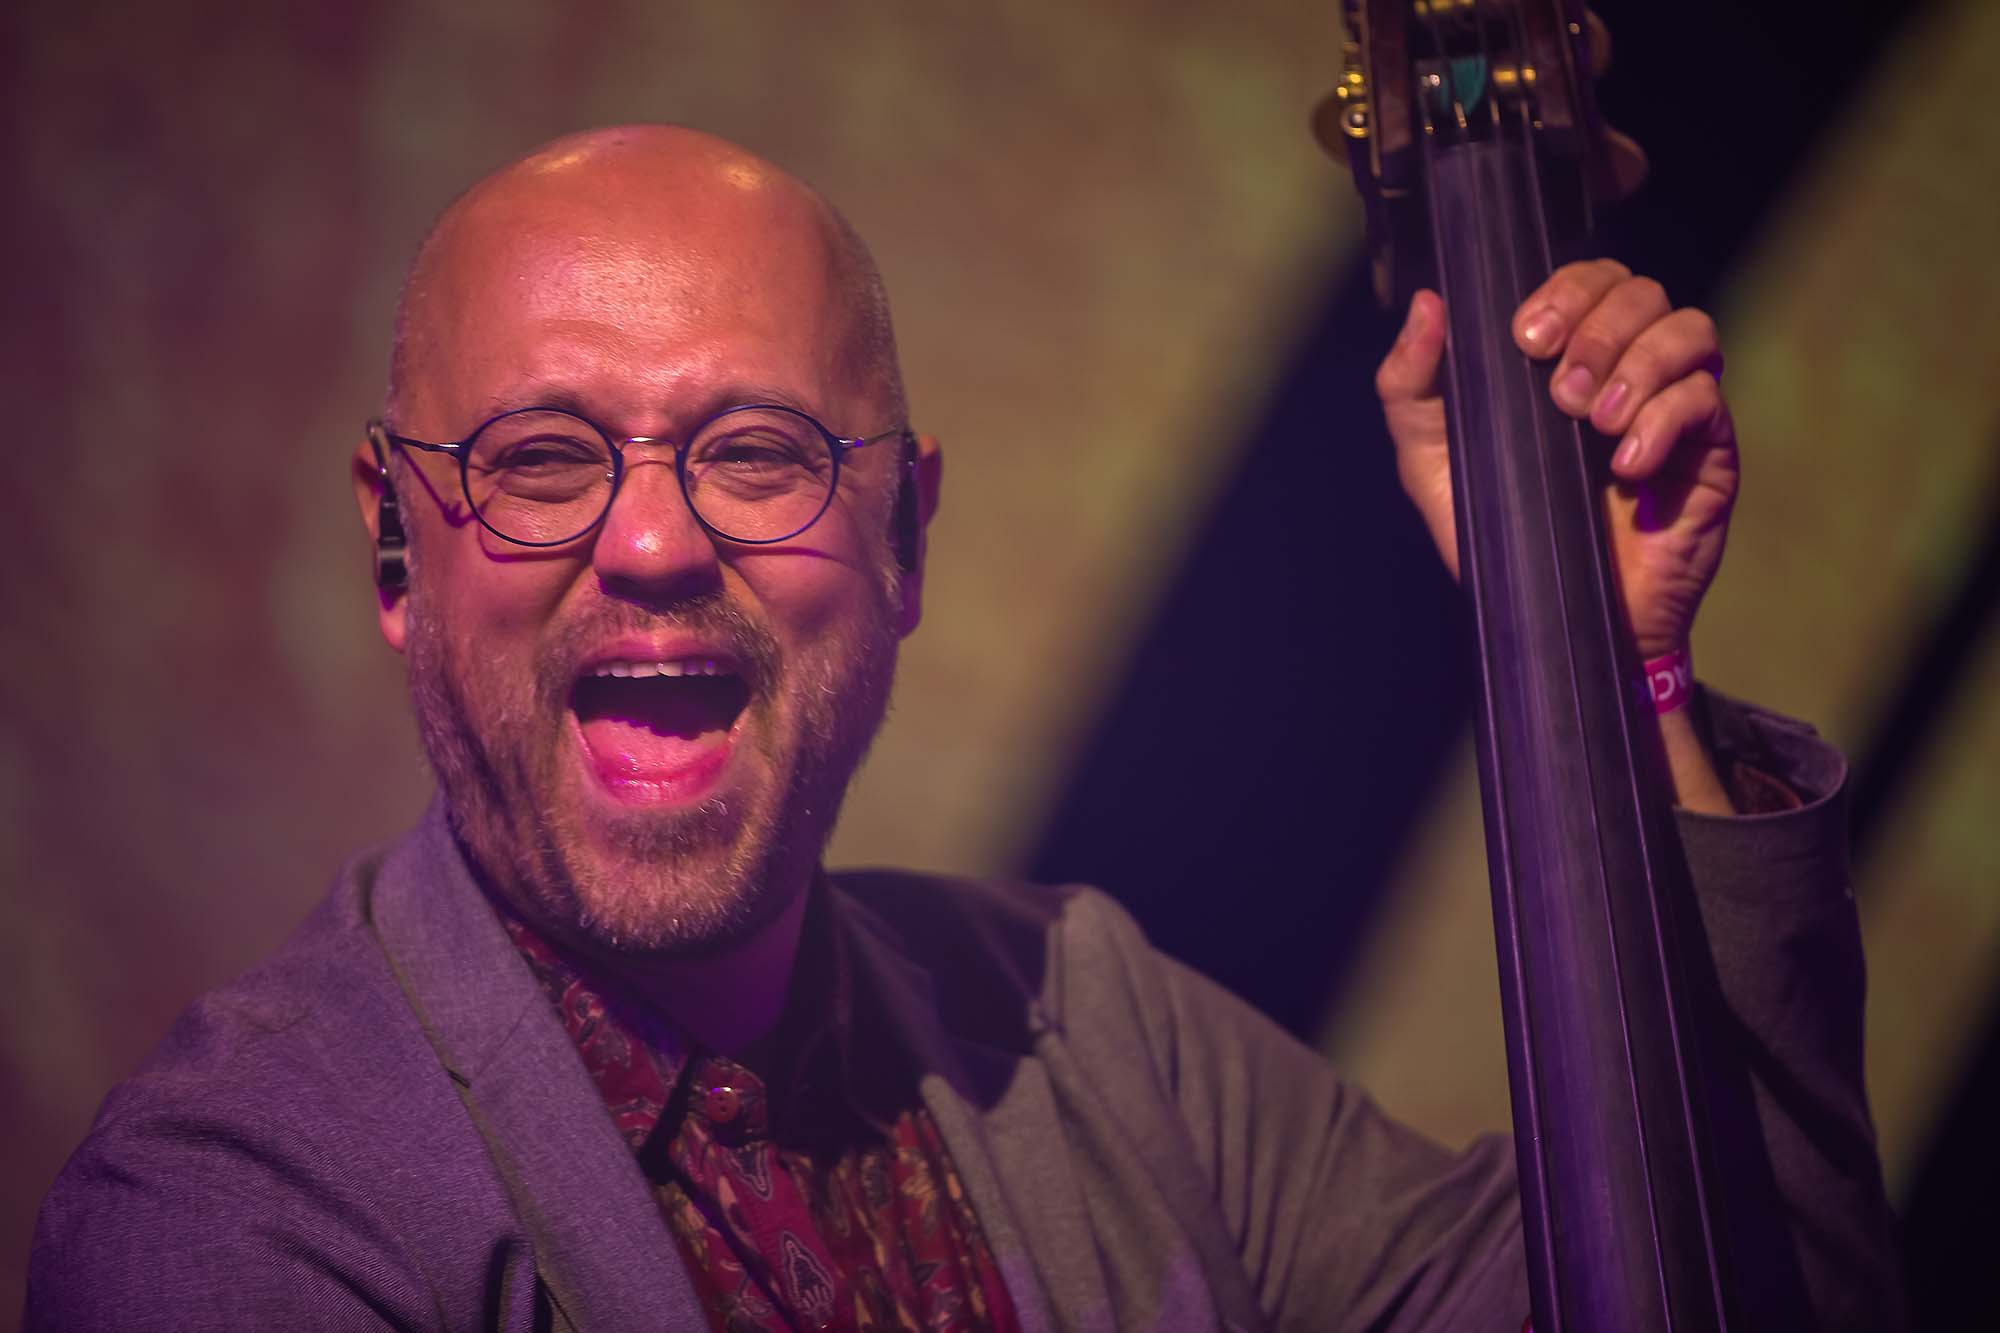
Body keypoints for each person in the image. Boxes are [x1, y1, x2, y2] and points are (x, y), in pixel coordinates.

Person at [26, 125, 1901, 1330]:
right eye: (538, 459)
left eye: (758, 450)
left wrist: (1613, 661)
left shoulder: (1092, 1026)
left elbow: (1746, 1290)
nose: (654, 542)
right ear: (394, 548)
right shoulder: (232, 1210)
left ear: (906, 538)